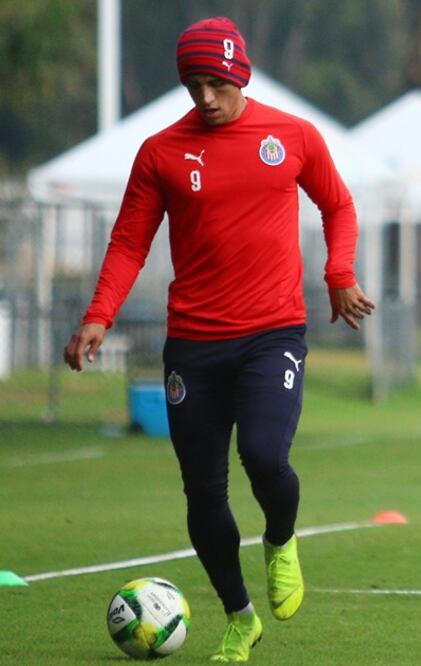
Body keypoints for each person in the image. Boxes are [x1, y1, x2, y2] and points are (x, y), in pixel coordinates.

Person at [63, 17, 375, 662]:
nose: (204, 97)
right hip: (195, 345)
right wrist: (100, 315)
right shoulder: (159, 152)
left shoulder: (291, 135)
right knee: (203, 490)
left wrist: (338, 274)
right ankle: (239, 617)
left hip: (272, 333)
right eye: (192, 84)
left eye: (215, 83)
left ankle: (281, 540)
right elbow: (129, 241)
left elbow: (338, 206)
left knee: (264, 455)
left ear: (241, 75)